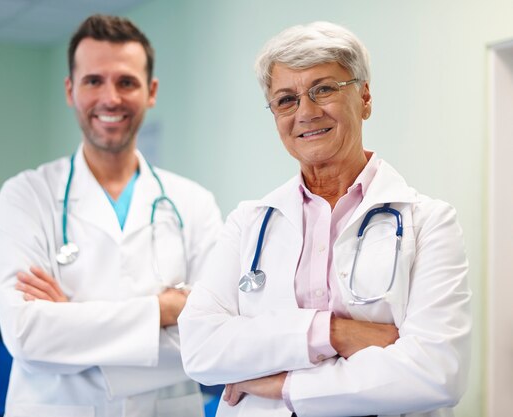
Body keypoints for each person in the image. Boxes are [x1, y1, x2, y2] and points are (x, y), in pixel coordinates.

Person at [178, 21, 471, 417]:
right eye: (286, 100)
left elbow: (436, 373)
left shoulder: (429, 222)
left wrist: (286, 384)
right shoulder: (248, 223)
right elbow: (199, 349)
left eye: (324, 89)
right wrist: (334, 332)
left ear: (365, 97)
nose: (306, 112)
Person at [0, 14, 222, 417]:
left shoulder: (194, 203)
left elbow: (214, 337)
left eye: (126, 82)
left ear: (151, 92)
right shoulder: (26, 196)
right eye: (93, 80)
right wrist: (163, 311)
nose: (110, 98)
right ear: (70, 90)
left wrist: (70, 324)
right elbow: (27, 335)